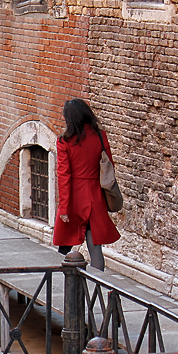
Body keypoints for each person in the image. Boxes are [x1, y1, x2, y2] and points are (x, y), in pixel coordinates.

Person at [53, 98, 120, 271]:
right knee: (95, 248)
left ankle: (64, 285)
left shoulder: (64, 142)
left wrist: (65, 208)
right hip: (95, 196)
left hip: (74, 198)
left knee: (64, 247)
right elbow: (108, 165)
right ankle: (96, 286)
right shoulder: (100, 136)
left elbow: (64, 176)